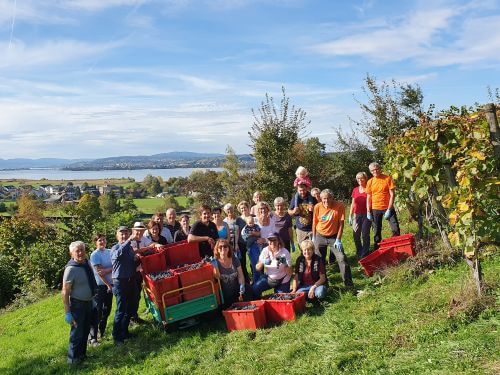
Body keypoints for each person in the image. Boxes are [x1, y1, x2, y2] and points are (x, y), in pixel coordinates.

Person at [110, 225, 149, 345]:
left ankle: (125, 332)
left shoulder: (129, 249)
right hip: (120, 282)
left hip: (131, 280)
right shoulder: (115, 248)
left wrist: (137, 262)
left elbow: (132, 262)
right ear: (117, 236)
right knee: (121, 310)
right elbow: (117, 256)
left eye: (126, 234)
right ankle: (117, 336)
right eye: (121, 234)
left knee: (130, 308)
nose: (124, 236)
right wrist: (127, 242)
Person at [62, 241, 97, 364]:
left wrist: (92, 299)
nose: (81, 253)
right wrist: (68, 313)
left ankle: (82, 356)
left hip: (88, 303)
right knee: (77, 333)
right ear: (71, 253)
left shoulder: (86, 264)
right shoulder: (71, 269)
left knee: (86, 330)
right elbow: (65, 292)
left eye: (82, 249)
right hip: (78, 305)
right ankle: (72, 360)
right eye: (77, 251)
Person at [312, 189, 354, 289]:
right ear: (321, 199)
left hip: (333, 237)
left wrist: (338, 239)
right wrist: (314, 237)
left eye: (329, 198)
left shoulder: (339, 206)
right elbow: (315, 222)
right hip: (320, 236)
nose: (326, 201)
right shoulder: (317, 207)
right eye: (324, 199)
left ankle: (349, 285)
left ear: (332, 198)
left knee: (342, 258)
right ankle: (324, 284)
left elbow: (341, 224)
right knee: (319, 261)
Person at [366, 162, 400, 250]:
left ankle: (397, 246)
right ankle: (377, 249)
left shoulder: (387, 178)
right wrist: (368, 211)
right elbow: (369, 197)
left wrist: (389, 209)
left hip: (388, 208)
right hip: (375, 209)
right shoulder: (370, 182)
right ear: (370, 171)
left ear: (379, 168)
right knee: (377, 230)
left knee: (395, 228)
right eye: (373, 170)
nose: (375, 171)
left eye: (376, 169)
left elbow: (392, 195)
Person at [89, 234, 113, 346]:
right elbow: (100, 273)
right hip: (100, 287)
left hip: (110, 285)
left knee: (107, 310)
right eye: (100, 240)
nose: (102, 242)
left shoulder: (109, 252)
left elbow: (110, 268)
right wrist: (108, 284)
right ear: (95, 242)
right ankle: (92, 337)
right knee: (97, 311)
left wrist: (109, 270)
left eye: (104, 239)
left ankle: (101, 332)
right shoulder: (95, 255)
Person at [252, 232, 292, 298]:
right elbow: (257, 268)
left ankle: (274, 295)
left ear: (279, 240)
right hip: (269, 279)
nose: (272, 242)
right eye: (270, 240)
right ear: (268, 241)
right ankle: (261, 302)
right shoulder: (265, 251)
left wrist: (285, 264)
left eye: (274, 240)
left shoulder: (285, 252)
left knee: (281, 299)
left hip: (282, 280)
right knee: (254, 290)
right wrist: (263, 261)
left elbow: (290, 273)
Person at [212, 239, 250, 308]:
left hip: (236, 291)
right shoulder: (215, 262)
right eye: (220, 247)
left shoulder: (235, 259)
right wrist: (215, 267)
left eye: (225, 246)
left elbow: (240, 275)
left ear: (229, 248)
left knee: (248, 288)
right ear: (217, 249)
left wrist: (242, 285)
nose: (223, 248)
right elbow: (217, 277)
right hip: (225, 295)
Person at [349, 172, 371, 259]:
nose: (360, 180)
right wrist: (350, 215)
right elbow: (353, 203)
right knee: (356, 233)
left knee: (365, 234)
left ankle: (365, 252)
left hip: (367, 214)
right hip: (356, 214)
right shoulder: (355, 190)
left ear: (365, 179)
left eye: (362, 178)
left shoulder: (369, 189)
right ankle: (359, 250)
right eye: (358, 178)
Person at [235, 201, 253, 283]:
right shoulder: (238, 219)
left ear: (248, 208)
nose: (243, 209)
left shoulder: (253, 217)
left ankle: (256, 279)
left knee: (253, 261)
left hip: (252, 243)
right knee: (242, 263)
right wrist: (236, 244)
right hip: (241, 243)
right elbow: (237, 231)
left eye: (244, 207)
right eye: (241, 208)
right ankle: (246, 281)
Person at [241, 215, 262, 283]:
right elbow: (244, 236)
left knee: (258, 261)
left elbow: (259, 233)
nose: (251, 224)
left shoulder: (256, 226)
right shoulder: (245, 228)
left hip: (257, 246)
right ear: (246, 223)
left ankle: (258, 279)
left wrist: (253, 233)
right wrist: (252, 234)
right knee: (254, 263)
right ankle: (256, 280)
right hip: (250, 247)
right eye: (249, 223)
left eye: (252, 222)